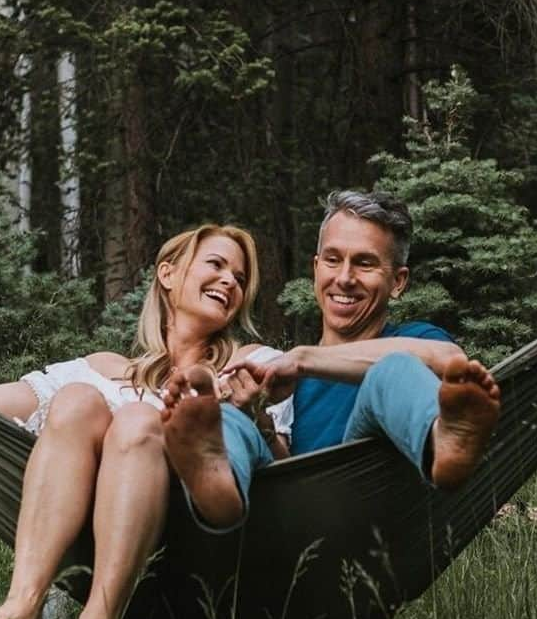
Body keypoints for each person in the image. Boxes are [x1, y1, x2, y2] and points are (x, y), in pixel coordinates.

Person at [0, 224, 276, 619]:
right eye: (217, 265)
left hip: (185, 530)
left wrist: (253, 410)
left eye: (240, 278)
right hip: (85, 515)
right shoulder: (101, 368)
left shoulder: (244, 366)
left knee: (139, 417)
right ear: (168, 273)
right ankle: (24, 602)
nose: (230, 281)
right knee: (76, 399)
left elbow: (284, 458)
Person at [159, 191, 501, 523]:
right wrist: (257, 417)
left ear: (398, 281)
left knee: (392, 369)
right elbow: (287, 471)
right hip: (293, 521)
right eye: (333, 260)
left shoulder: (411, 340)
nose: (345, 278)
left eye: (365, 263)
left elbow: (449, 359)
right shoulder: (286, 378)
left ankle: (441, 440)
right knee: (231, 419)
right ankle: (219, 480)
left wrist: (304, 358)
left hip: (367, 502)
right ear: (316, 268)